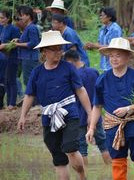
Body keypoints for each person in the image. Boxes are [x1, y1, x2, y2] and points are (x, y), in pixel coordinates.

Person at [17, 30, 92, 180]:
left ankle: (82, 175)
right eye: (54, 49)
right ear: (44, 52)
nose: (59, 52)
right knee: (59, 158)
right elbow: (30, 95)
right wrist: (22, 116)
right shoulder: (37, 72)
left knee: (70, 148)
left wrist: (90, 113)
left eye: (60, 48)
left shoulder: (68, 68)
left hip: (69, 114)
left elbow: (80, 90)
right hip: (48, 117)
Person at [85, 37, 134, 180]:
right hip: (113, 127)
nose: (114, 59)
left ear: (128, 56)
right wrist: (91, 128)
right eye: (111, 56)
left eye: (118, 55)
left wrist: (129, 108)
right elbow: (97, 105)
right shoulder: (103, 79)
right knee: (117, 163)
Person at [64, 50, 111, 168]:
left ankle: (85, 172)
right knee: (103, 143)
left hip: (79, 115)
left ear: (70, 62)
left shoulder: (74, 76)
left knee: (81, 146)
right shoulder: (93, 72)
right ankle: (111, 168)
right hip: (96, 114)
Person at [84, 7, 122, 71]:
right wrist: (91, 46)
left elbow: (113, 46)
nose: (100, 17)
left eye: (102, 15)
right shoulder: (102, 28)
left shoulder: (115, 29)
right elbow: (100, 44)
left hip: (114, 63)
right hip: (104, 63)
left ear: (109, 17)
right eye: (100, 15)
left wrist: (95, 45)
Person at [0, 9, 21, 110]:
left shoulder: (13, 29)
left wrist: (5, 45)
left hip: (12, 57)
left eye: (2, 17)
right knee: (6, 80)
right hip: (5, 58)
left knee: (12, 80)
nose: (0, 19)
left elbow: (16, 43)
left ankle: (12, 103)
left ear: (8, 18)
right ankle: (9, 103)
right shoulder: (4, 28)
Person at [14, 6, 40, 87]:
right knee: (28, 81)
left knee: (29, 81)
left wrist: (17, 44)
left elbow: (33, 43)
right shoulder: (27, 27)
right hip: (26, 58)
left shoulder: (32, 28)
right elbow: (27, 40)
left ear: (28, 16)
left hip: (30, 58)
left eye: (22, 15)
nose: (21, 18)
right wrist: (18, 40)